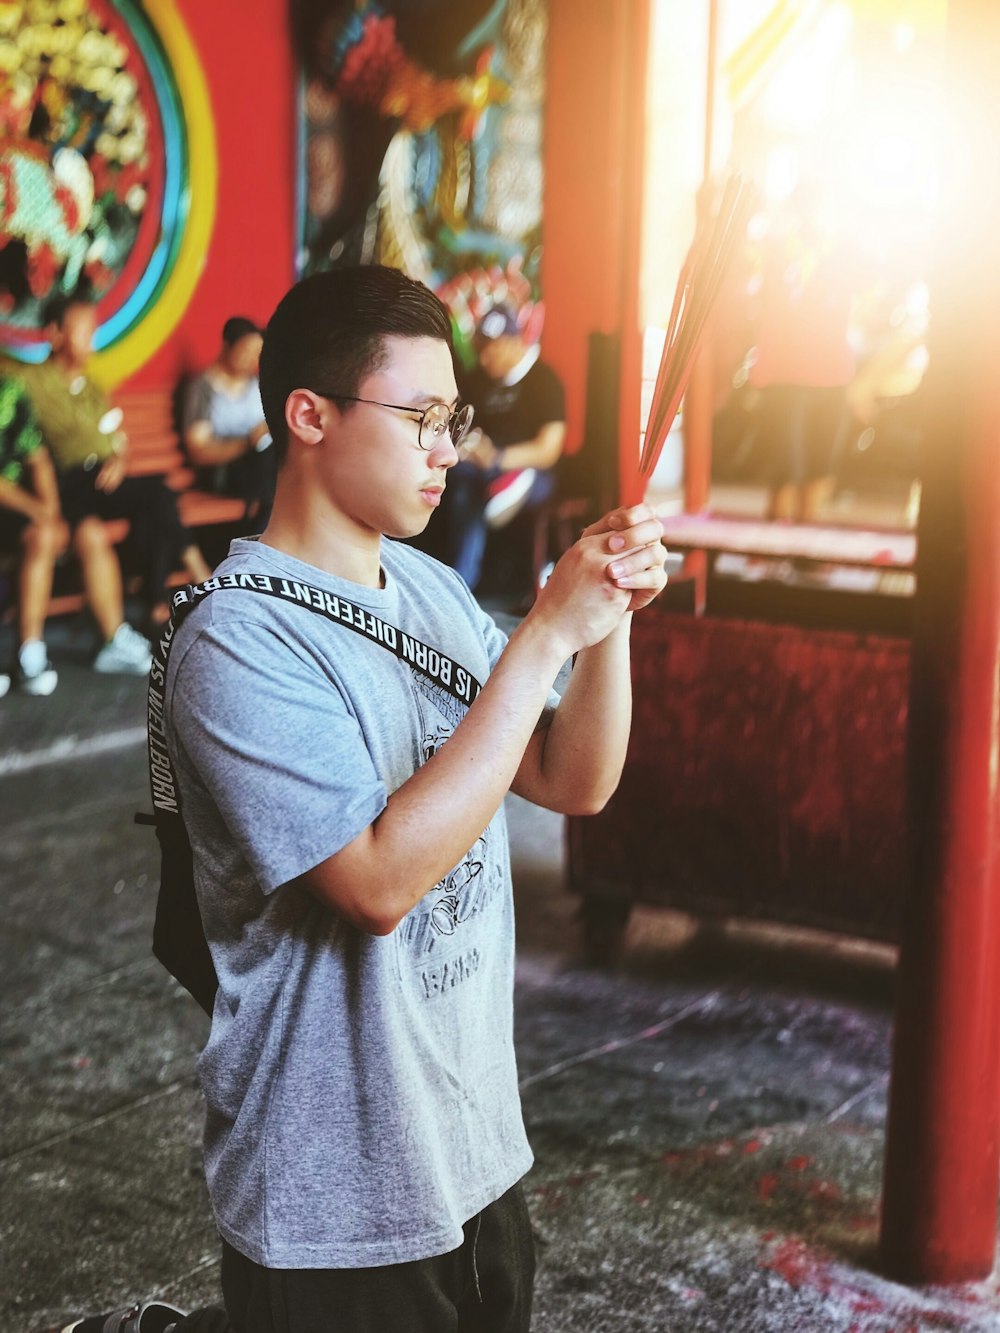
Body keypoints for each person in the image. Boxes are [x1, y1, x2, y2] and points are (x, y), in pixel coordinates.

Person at [161, 264, 667, 1333]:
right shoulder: (236, 640)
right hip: (333, 1196)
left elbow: (571, 779)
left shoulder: (430, 589)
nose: (450, 446)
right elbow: (377, 880)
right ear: (309, 414)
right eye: (420, 417)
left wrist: (603, 619)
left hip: (472, 1149)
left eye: (455, 417)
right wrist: (541, 636)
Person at [11, 297, 211, 664]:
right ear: (55, 334)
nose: (92, 339)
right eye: (84, 330)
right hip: (63, 482)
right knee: (156, 493)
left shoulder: (90, 385)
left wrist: (120, 460)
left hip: (100, 481)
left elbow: (116, 438)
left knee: (152, 501)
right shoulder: (27, 382)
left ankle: (156, 602)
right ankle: (189, 584)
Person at [438, 304, 566, 593]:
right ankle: (457, 581)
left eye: (492, 349)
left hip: (531, 471)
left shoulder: (543, 380)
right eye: (481, 348)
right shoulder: (477, 380)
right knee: (458, 483)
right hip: (476, 467)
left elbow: (548, 450)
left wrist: (497, 458)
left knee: (479, 492)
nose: (484, 357)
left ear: (513, 343)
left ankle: (461, 583)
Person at [180, 317, 277, 528]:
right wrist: (248, 443)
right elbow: (199, 451)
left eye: (256, 354)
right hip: (222, 471)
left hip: (261, 467)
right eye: (245, 351)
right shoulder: (202, 389)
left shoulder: (256, 385)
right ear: (226, 346)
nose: (251, 360)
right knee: (272, 470)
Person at [0, 373, 63, 695]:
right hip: (12, 499)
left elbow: (37, 457)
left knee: (41, 536)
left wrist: (49, 513)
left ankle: (29, 655)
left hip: (11, 507)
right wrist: (37, 509)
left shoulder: (9, 390)